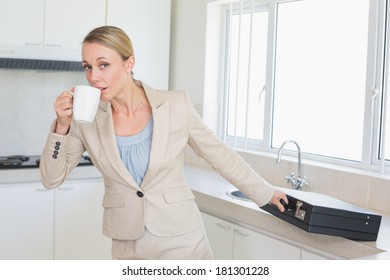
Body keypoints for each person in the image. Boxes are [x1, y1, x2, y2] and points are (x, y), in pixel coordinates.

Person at [40, 25, 288, 260]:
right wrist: (61, 126)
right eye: (87, 67)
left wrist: (265, 192)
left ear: (130, 63)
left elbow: (219, 154)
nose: (93, 77)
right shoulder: (87, 118)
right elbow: (51, 179)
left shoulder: (175, 105)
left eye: (103, 65)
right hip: (127, 243)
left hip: (182, 240)